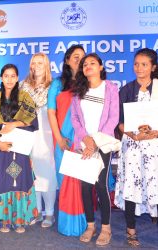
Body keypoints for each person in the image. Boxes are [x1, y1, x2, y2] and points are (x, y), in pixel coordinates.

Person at [0, 64, 38, 234]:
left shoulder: (25, 97)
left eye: (13, 76)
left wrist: (14, 124)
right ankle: (6, 220)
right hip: (1, 147)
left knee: (19, 180)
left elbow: (32, 122)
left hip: (20, 147)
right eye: (6, 76)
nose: (9, 79)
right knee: (3, 180)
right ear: (1, 77)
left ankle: (20, 219)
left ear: (17, 78)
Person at [71, 53, 119, 246]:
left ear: (100, 67)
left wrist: (96, 142)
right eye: (85, 64)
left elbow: (113, 118)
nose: (88, 66)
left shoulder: (111, 88)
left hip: (103, 144)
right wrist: (86, 139)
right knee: (85, 186)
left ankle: (106, 228)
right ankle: (90, 226)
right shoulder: (78, 91)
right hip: (83, 144)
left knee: (100, 185)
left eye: (92, 63)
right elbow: (75, 118)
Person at [114, 48, 158, 247]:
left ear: (153, 67)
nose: (139, 68)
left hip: (155, 147)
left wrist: (155, 133)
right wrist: (131, 133)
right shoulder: (126, 90)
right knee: (131, 186)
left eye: (144, 64)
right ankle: (131, 229)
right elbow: (119, 121)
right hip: (132, 146)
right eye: (136, 64)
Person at [47, 45, 87, 236]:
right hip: (62, 139)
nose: (80, 60)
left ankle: (85, 223)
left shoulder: (88, 83)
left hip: (83, 140)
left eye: (83, 57)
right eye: (76, 56)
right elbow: (51, 112)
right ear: (68, 60)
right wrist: (59, 138)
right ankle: (66, 224)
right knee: (64, 180)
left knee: (82, 182)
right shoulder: (57, 84)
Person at [20, 53, 57, 228]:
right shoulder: (23, 86)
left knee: (47, 174)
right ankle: (37, 211)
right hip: (28, 134)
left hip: (48, 134)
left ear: (46, 64)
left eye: (40, 62)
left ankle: (49, 213)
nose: (37, 66)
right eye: (34, 63)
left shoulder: (54, 85)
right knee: (32, 173)